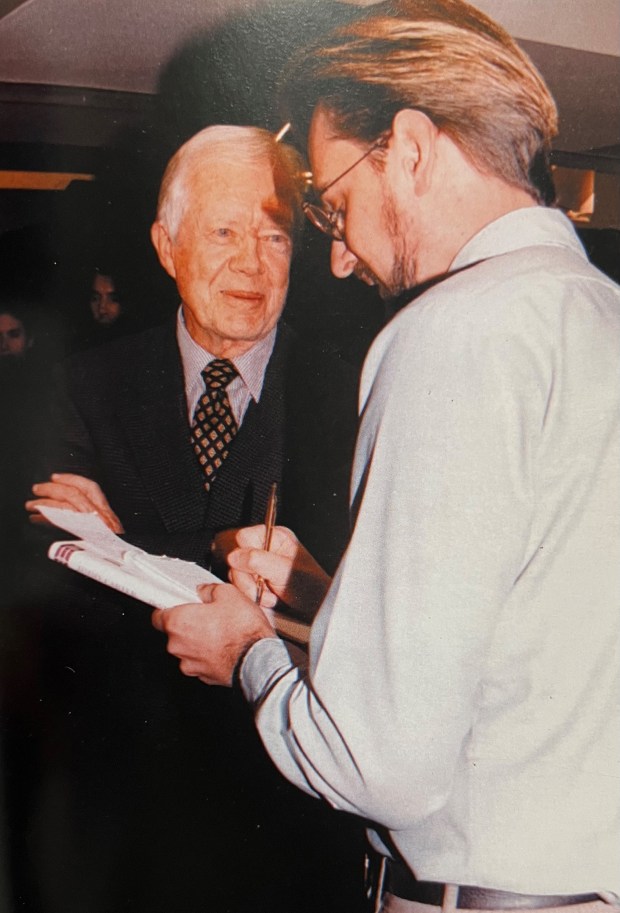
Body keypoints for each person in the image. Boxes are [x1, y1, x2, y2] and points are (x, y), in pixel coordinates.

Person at [153, 1, 620, 910]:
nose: (337, 259)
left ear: (408, 147)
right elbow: (535, 648)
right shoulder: (601, 314)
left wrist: (248, 648)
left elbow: (379, 766)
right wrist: (331, 602)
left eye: (332, 205)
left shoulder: (449, 333)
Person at [21, 125, 364, 913]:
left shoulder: (353, 393)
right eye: (223, 231)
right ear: (166, 243)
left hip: (297, 818)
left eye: (274, 234)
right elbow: (46, 573)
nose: (252, 260)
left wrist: (128, 548)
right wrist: (213, 552)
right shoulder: (85, 383)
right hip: (131, 813)